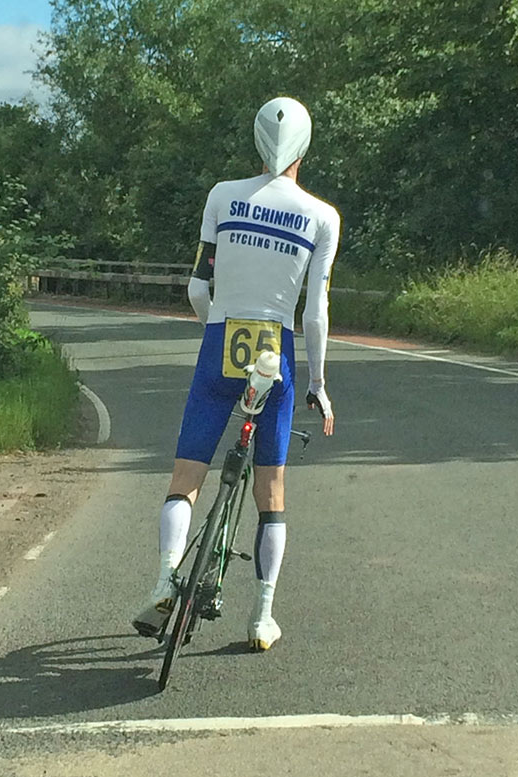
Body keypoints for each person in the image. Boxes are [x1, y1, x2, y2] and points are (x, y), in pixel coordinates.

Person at [133, 96, 341, 651]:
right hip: (276, 353)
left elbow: (198, 288)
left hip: (219, 342)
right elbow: (315, 313)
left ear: (257, 140)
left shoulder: (222, 197)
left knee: (186, 479)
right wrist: (317, 385)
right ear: (306, 146)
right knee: (271, 493)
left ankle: (163, 579)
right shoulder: (322, 217)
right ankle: (262, 617)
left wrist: (216, 332)